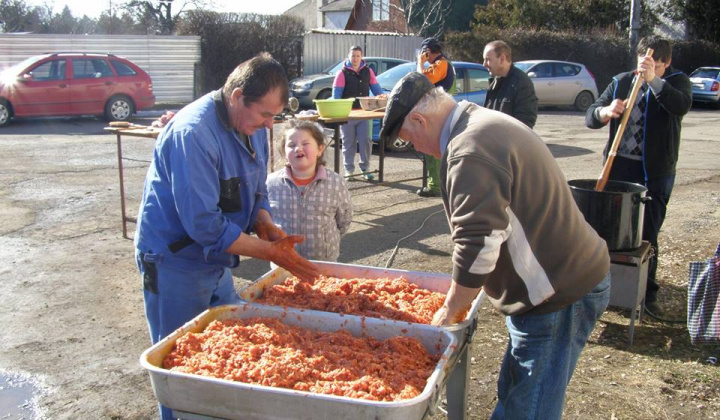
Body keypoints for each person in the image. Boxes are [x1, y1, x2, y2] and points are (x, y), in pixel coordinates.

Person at [380, 72, 611, 420]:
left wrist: (451, 311)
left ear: (418, 119)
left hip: (557, 292)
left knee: (527, 408)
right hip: (557, 282)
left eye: (409, 138)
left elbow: (478, 244)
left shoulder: (469, 149)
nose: (414, 147)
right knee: (517, 392)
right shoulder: (477, 120)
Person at [135, 53, 319, 346]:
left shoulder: (253, 127)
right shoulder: (194, 134)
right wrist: (271, 253)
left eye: (275, 115)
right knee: (179, 352)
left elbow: (257, 188)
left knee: (224, 343)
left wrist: (265, 222)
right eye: (265, 114)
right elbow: (204, 225)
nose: (271, 125)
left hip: (214, 260)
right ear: (237, 96)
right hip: (175, 261)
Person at [586, 36, 692, 315]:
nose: (646, 67)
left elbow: (680, 106)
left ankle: (647, 293)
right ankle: (606, 288)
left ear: (666, 64)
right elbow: (590, 114)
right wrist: (605, 111)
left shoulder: (677, 82)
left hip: (655, 171)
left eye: (656, 63)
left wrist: (654, 81)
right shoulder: (621, 81)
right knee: (610, 230)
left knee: (648, 233)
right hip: (619, 167)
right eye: (643, 60)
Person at [267, 119, 353, 261]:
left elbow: (344, 220)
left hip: (324, 263)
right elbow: (267, 221)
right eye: (291, 145)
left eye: (305, 143)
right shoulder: (271, 183)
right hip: (284, 263)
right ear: (284, 152)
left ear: (320, 149)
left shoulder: (335, 182)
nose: (298, 148)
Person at [332, 45, 383, 181]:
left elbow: (377, 90)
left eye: (358, 56)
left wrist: (383, 97)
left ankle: (365, 168)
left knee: (366, 141)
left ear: (362, 57)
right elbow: (336, 96)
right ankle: (349, 170)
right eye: (353, 56)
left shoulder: (368, 71)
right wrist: (338, 112)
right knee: (349, 143)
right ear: (349, 56)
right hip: (347, 114)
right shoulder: (341, 73)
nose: (355, 58)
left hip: (365, 113)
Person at [416, 37, 455, 198]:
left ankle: (436, 186)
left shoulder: (441, 64)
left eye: (425, 53)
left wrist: (420, 63)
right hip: (440, 111)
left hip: (438, 113)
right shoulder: (442, 64)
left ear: (428, 52)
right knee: (436, 150)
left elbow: (423, 79)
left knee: (432, 150)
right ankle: (439, 184)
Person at [483, 40, 538, 128]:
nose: (484, 64)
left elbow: (525, 122)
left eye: (488, 59)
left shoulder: (521, 83)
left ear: (502, 59)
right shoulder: (495, 82)